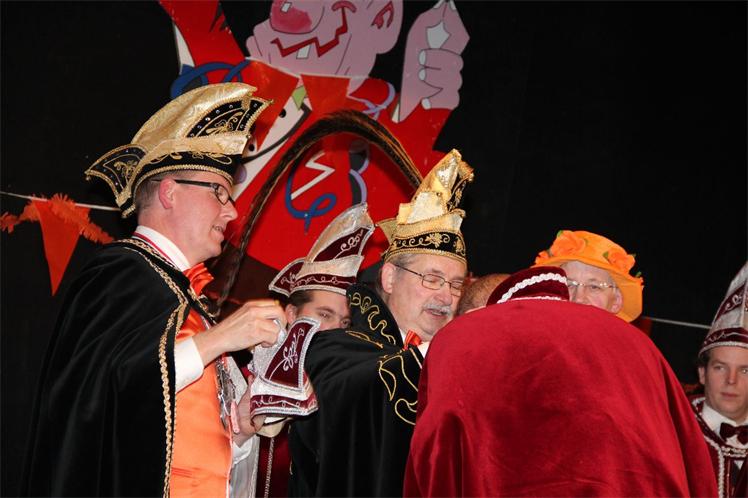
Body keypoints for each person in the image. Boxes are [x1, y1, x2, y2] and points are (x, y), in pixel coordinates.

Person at [22, 83, 288, 497]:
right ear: (169, 192)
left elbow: (180, 442)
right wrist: (219, 339)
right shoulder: (121, 274)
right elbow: (103, 397)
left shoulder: (186, 297)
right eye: (219, 192)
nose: (232, 211)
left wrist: (239, 428)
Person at [404, 266, 717, 497]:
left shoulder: (466, 337)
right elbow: (693, 461)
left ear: (474, 312)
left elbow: (435, 452)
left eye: (594, 286)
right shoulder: (638, 344)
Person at [287, 149, 473, 497]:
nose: (447, 296)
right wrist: (443, 352)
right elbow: (360, 389)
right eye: (432, 279)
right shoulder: (334, 345)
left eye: (456, 284)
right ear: (389, 278)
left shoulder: (458, 370)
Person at [239, 202, 375, 498]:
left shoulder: (348, 390)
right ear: (291, 313)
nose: (335, 329)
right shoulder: (241, 377)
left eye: (345, 322)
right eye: (324, 315)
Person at [692, 262, 748, 498]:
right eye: (720, 367)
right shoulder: (671, 429)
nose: (731, 380)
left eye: (745, 370)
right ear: (702, 373)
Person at [534, 229, 644, 322]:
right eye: (569, 285)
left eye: (594, 287)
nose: (578, 299)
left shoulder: (630, 342)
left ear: (616, 301)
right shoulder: (529, 336)